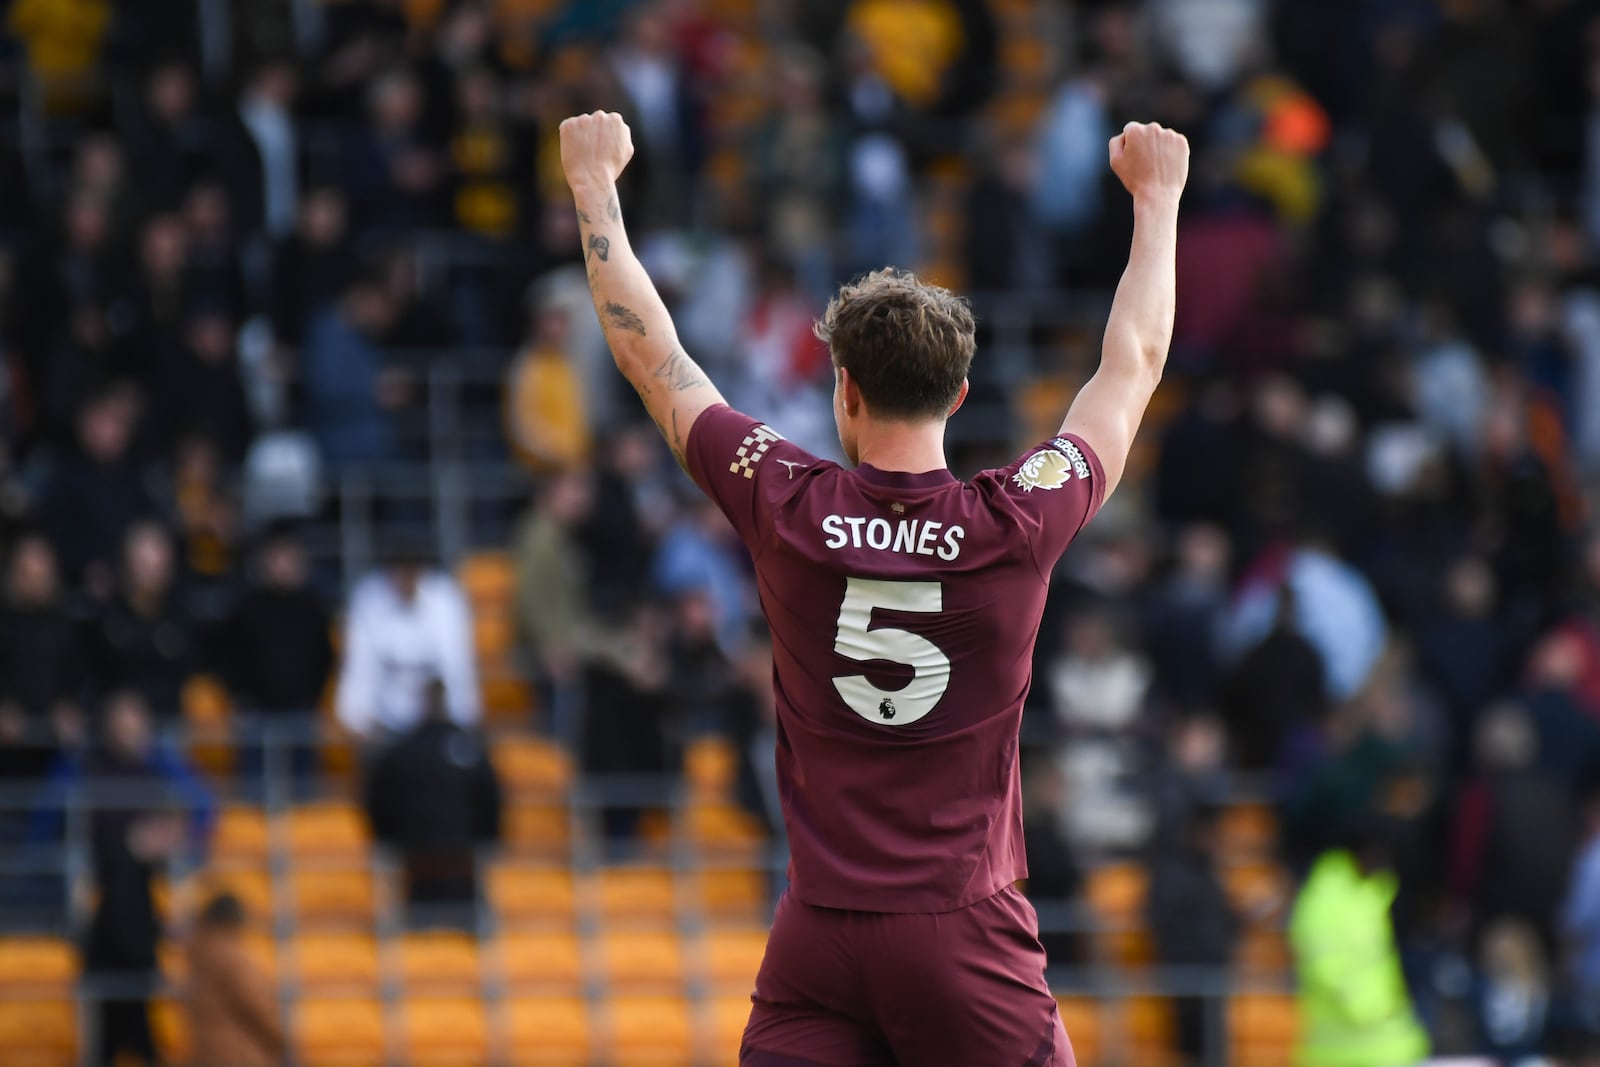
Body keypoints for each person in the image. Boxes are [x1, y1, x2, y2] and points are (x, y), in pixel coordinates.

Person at [559, 110, 1188, 1065]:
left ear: (843, 388)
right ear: (962, 396)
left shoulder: (783, 499)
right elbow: (1131, 365)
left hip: (820, 935)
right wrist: (1158, 199)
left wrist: (595, 187)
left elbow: (657, 361)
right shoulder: (1016, 520)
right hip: (961, 932)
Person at [1289, 817, 1430, 1067]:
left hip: (1389, 1045)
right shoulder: (1325, 901)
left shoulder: (1373, 891)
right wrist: (1372, 1009)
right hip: (1346, 1050)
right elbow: (1327, 967)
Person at [363, 680, 502, 926]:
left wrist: (389, 838)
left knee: (420, 928)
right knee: (464, 928)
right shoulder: (469, 750)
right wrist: (486, 839)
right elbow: (492, 801)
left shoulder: (402, 750)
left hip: (420, 860)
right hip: (457, 859)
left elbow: (376, 799)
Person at [217, 526, 334, 793]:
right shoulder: (246, 607)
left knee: (303, 793)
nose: (283, 565)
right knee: (254, 793)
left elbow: (325, 657)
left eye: (290, 557)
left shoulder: (312, 607)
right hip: (256, 715)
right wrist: (238, 697)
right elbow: (225, 656)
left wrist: (312, 699)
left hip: (300, 713)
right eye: (277, 557)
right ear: (265, 561)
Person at [336, 545, 479, 739]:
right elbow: (359, 669)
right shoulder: (368, 598)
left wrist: (460, 719)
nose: (405, 578)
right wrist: (359, 720)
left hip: (436, 727)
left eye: (412, 571)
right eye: (399, 570)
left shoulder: (445, 599)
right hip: (384, 728)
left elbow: (457, 666)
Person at [183, 892, 285, 1067]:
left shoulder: (199, 950)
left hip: (210, 1050)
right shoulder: (231, 955)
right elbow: (254, 1003)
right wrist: (280, 1039)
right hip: (239, 1052)